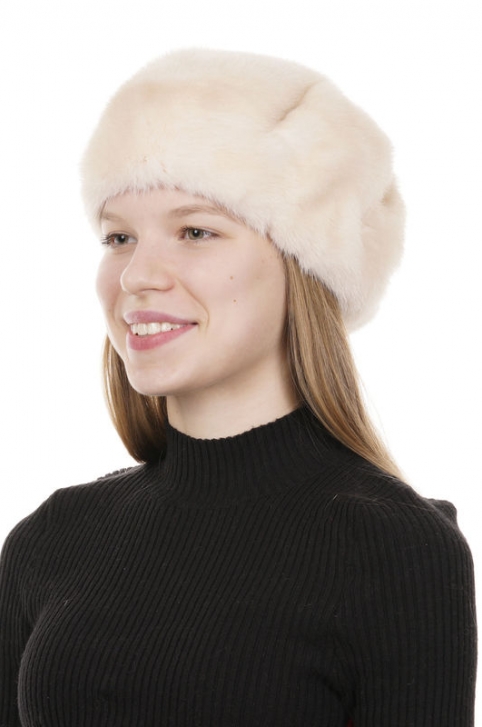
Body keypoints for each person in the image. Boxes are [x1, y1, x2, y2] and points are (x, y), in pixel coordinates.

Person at [0, 48, 476, 726]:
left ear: (305, 265)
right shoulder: (52, 538)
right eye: (118, 237)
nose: (137, 275)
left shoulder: (393, 547)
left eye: (195, 230)